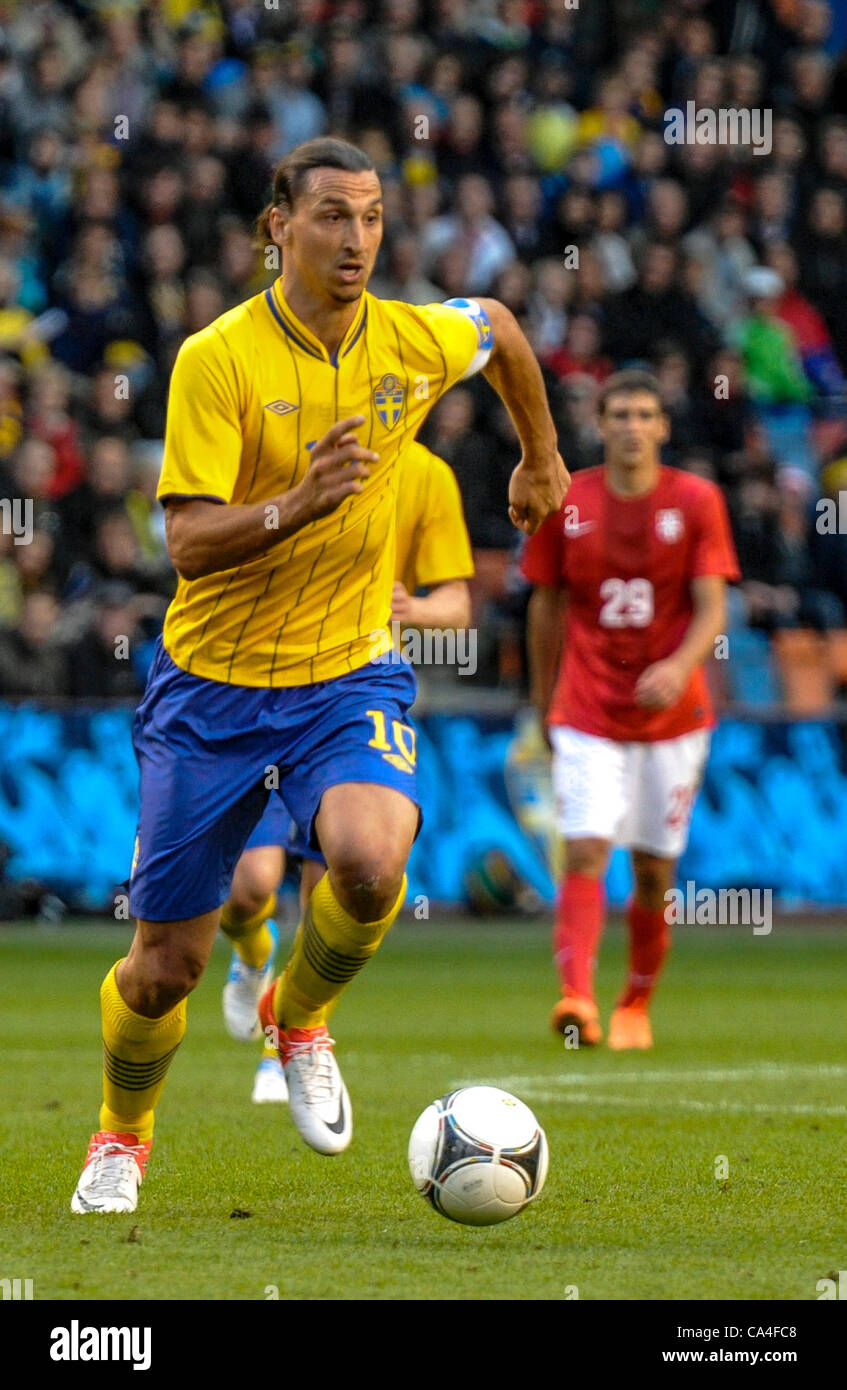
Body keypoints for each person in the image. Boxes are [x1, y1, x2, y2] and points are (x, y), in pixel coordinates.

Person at [71, 136, 567, 1213]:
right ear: (277, 227)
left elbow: (502, 327)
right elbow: (188, 543)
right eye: (333, 215)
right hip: (210, 688)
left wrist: (539, 455)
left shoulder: (409, 339)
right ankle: (121, 1136)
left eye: (374, 216)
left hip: (348, 673)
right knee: (164, 970)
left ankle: (298, 1019)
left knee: (371, 861)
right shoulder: (218, 357)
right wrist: (302, 499)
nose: (357, 239)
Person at [219, 438, 475, 1103]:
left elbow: (457, 602)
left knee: (338, 877)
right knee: (247, 888)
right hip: (258, 688)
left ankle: (287, 1045)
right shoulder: (277, 440)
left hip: (349, 698)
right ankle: (250, 953)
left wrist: (415, 609)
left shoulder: (425, 471)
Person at [523, 370, 738, 1051]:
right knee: (584, 850)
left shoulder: (696, 500)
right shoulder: (568, 500)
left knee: (652, 873)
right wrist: (543, 699)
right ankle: (576, 1000)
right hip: (586, 707)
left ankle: (634, 1002)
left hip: (671, 718)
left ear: (662, 427)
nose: (630, 425)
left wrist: (677, 667)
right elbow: (545, 602)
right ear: (600, 421)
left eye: (644, 414)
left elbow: (712, 607)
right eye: (618, 413)